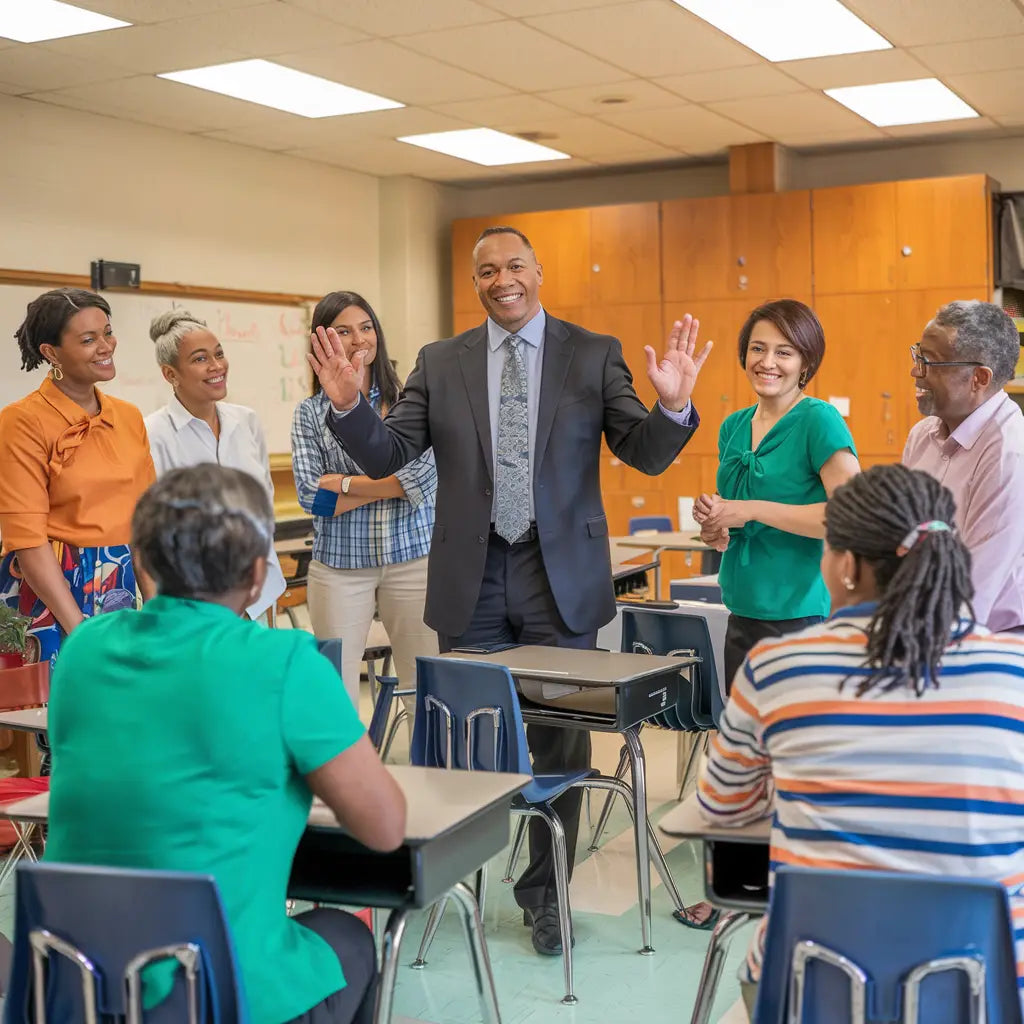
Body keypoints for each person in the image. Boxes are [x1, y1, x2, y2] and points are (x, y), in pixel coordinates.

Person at [308, 225, 710, 956]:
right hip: (475, 574)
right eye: (486, 270)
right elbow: (392, 451)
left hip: (561, 579)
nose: (502, 280)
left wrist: (674, 409)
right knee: (477, 736)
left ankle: (544, 893)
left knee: (559, 744)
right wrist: (348, 408)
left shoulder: (592, 353)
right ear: (475, 283)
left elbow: (642, 454)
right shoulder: (441, 360)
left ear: (539, 271)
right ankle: (459, 877)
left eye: (514, 265)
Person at [45, 464, 407, 1024]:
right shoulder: (284, 663)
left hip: (79, 990)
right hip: (211, 998)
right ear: (259, 574)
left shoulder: (83, 652)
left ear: (140, 561)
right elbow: (384, 827)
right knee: (346, 937)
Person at [698, 464, 1024, 1018]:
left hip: (813, 976)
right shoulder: (1014, 674)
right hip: (980, 987)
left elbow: (720, 807)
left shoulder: (778, 667)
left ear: (846, 566)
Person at [693, 299, 859, 688]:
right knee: (747, 743)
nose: (767, 362)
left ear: (806, 363)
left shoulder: (818, 419)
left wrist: (751, 509)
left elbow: (851, 517)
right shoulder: (733, 426)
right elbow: (728, 531)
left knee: (795, 744)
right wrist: (715, 525)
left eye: (784, 352)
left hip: (801, 615)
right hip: (741, 609)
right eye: (757, 348)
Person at [291, 291, 438, 713]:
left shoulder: (411, 400)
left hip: (414, 561)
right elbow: (310, 497)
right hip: (339, 567)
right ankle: (341, 780)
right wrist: (386, 481)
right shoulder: (309, 413)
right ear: (321, 341)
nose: (358, 340)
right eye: (343, 331)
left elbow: (423, 482)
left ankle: (428, 779)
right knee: (333, 692)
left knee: (424, 688)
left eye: (366, 327)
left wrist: (344, 484)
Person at [0, 288, 156, 669]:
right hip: (49, 589)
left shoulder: (129, 416)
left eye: (107, 332)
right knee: (60, 716)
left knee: (124, 710)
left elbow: (148, 525)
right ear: (51, 353)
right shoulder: (21, 421)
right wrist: (79, 628)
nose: (106, 346)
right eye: (88, 340)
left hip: (121, 582)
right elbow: (28, 540)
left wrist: (156, 610)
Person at [144, 309, 286, 621]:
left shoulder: (245, 420)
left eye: (218, 353)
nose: (217, 366)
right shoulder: (154, 433)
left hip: (259, 591)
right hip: (195, 601)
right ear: (170, 374)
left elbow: (265, 498)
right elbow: (157, 528)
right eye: (200, 359)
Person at [903, 299, 1024, 630]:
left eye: (930, 362)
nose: (916, 370)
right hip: (929, 622)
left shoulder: (1009, 450)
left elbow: (978, 584)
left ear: (978, 378)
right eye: (917, 355)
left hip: (993, 637)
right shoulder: (921, 435)